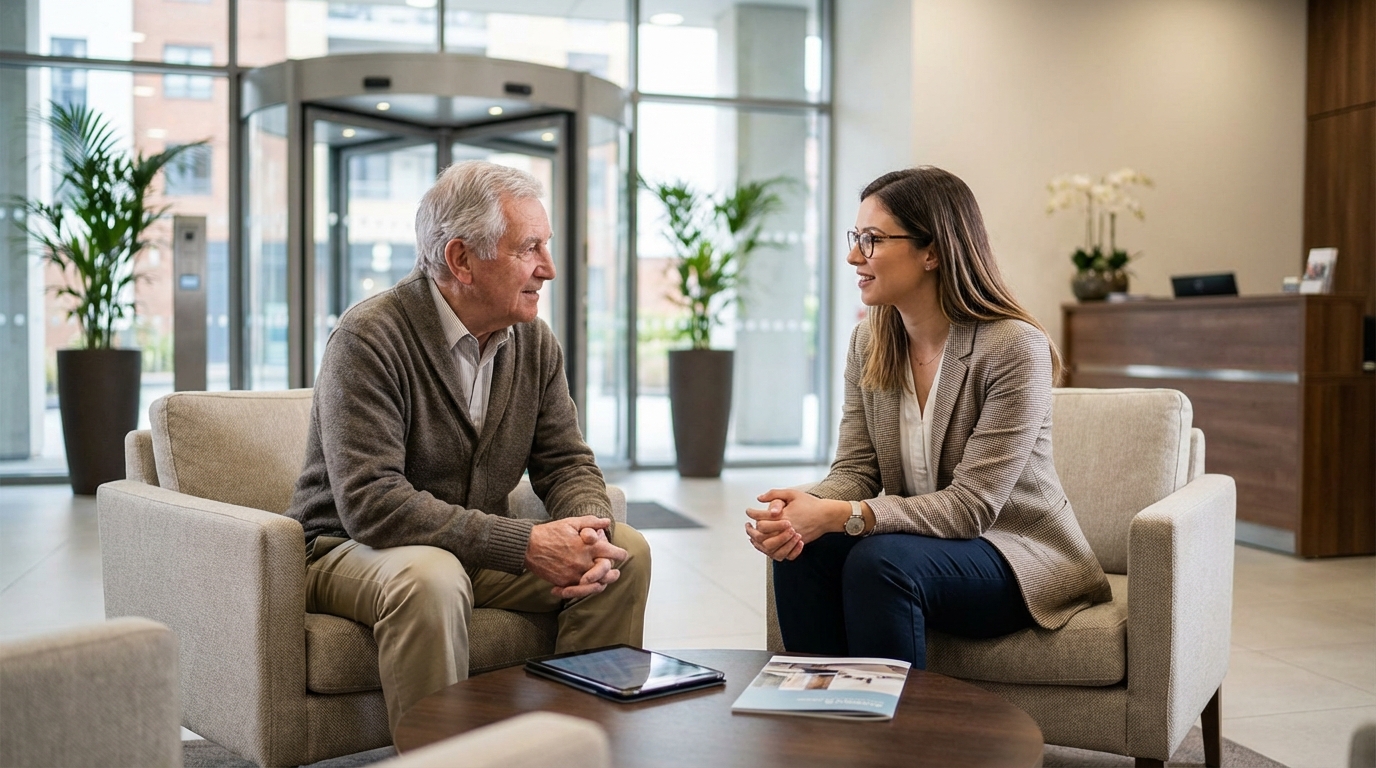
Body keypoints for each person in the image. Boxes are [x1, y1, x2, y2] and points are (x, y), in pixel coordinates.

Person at [286, 160, 650, 734]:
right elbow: (372, 503)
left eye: (546, 246)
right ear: (460, 260)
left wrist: (590, 530)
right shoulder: (369, 337)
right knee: (429, 577)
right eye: (529, 248)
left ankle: (567, 745)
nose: (548, 269)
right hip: (344, 548)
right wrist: (526, 543)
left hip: (466, 549)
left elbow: (567, 460)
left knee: (623, 554)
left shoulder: (533, 341)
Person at [745, 166, 1110, 667]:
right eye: (856, 238)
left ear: (932, 251)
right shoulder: (869, 342)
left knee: (880, 561)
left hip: (1013, 552)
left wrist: (840, 516)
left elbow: (971, 509)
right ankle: (822, 727)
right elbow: (857, 470)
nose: (854, 256)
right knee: (806, 550)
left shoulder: (1012, 346)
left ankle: (898, 744)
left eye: (871, 240)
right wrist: (802, 508)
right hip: (919, 547)